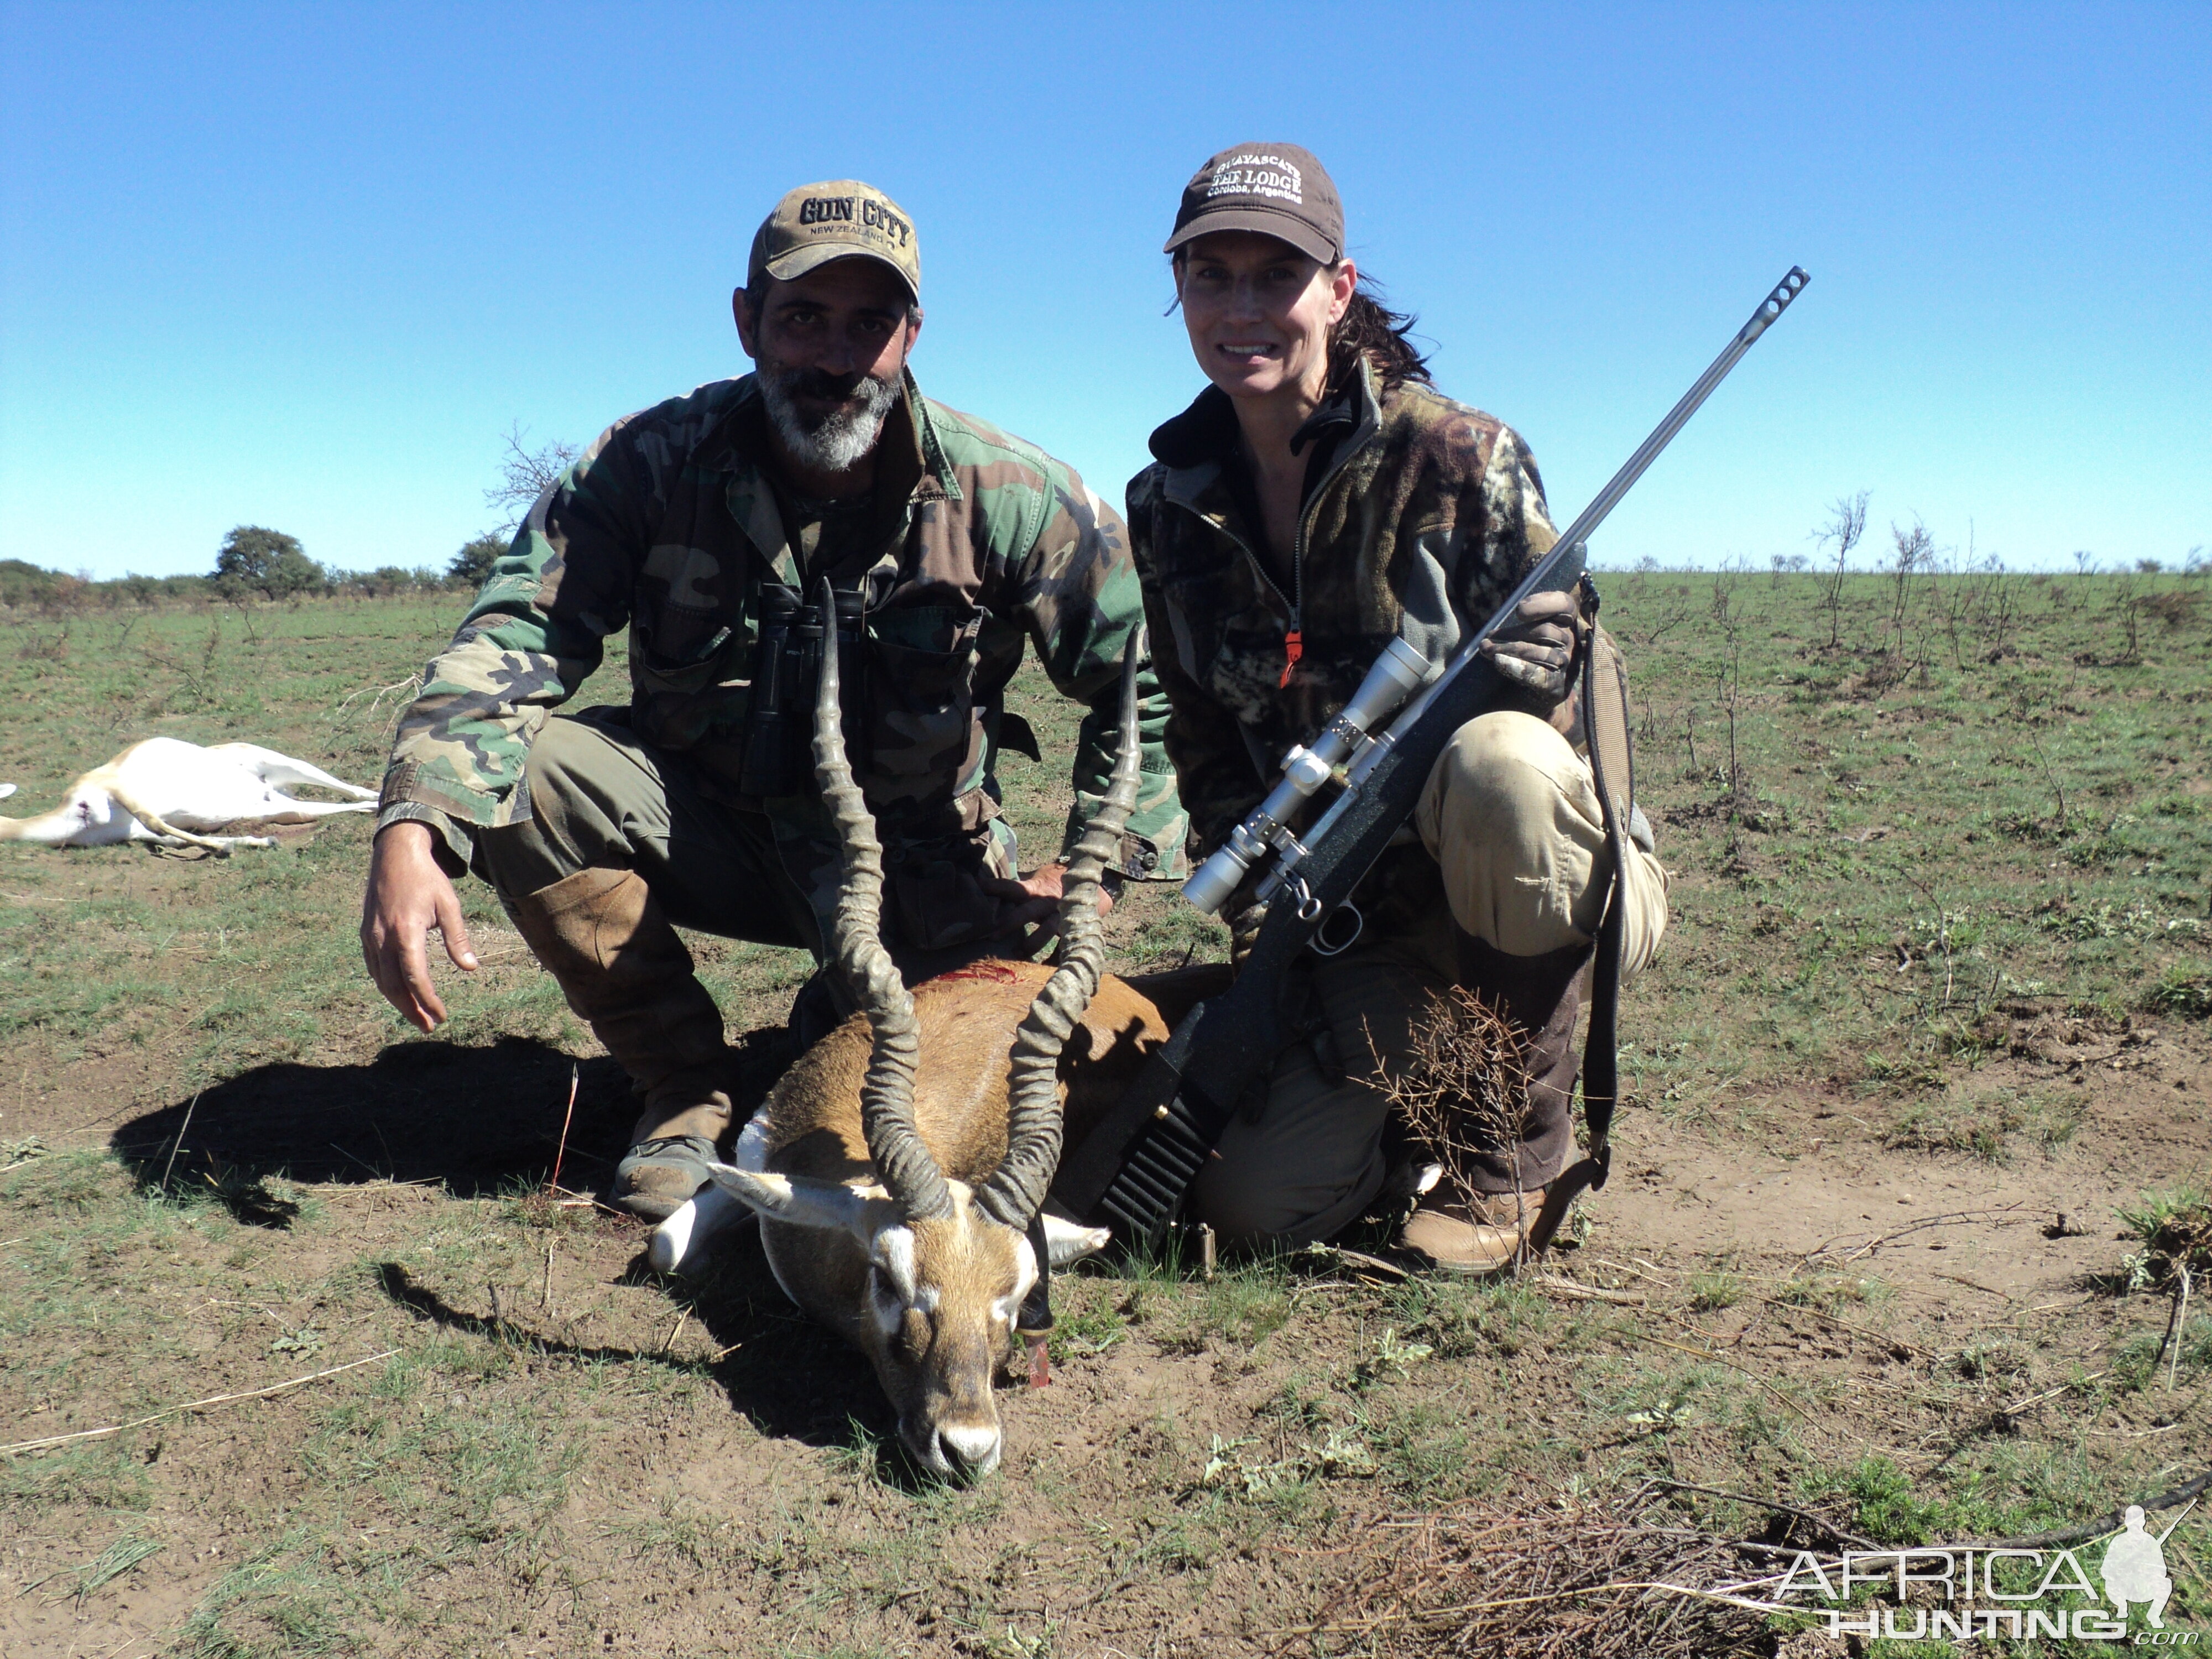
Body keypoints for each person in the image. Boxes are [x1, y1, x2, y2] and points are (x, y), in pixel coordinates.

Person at [361, 179, 1187, 1221]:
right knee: (527, 769)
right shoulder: (647, 462)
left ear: (911, 335)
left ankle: (839, 1018)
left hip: (920, 868)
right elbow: (517, 634)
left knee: (972, 1064)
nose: (837, 357)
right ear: (748, 319)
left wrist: (1095, 875)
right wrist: (414, 822)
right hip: (713, 830)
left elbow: (1144, 688)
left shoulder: (1012, 493)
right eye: (803, 318)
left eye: (868, 325)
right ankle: (682, 1089)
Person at [1125, 144, 1669, 1272]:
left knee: (1498, 767)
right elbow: (1198, 732)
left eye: (1273, 276)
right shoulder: (1166, 501)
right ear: (1177, 289)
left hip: (1538, 883)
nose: (1240, 307)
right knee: (1252, 1209)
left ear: (1337, 288)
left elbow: (1565, 731)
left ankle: (1514, 1156)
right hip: (1354, 911)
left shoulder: (1460, 456)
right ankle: (1410, 1118)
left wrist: (1539, 668)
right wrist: (1274, 929)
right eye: (1208, 275)